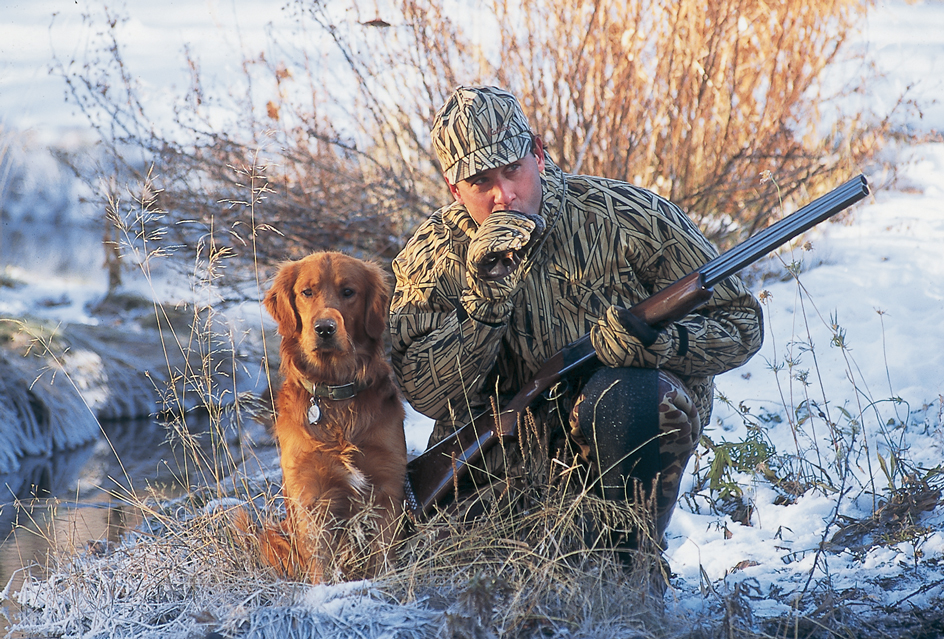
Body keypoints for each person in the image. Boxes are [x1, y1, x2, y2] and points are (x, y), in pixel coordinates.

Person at [388, 86, 763, 579]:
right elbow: (424, 394)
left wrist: (657, 346)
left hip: (619, 443)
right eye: (481, 182)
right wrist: (487, 299)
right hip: (502, 465)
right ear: (453, 188)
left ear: (538, 154)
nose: (505, 195)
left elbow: (742, 322)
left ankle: (633, 572)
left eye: (512, 170)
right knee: (467, 587)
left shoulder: (627, 216)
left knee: (634, 396)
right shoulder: (430, 257)